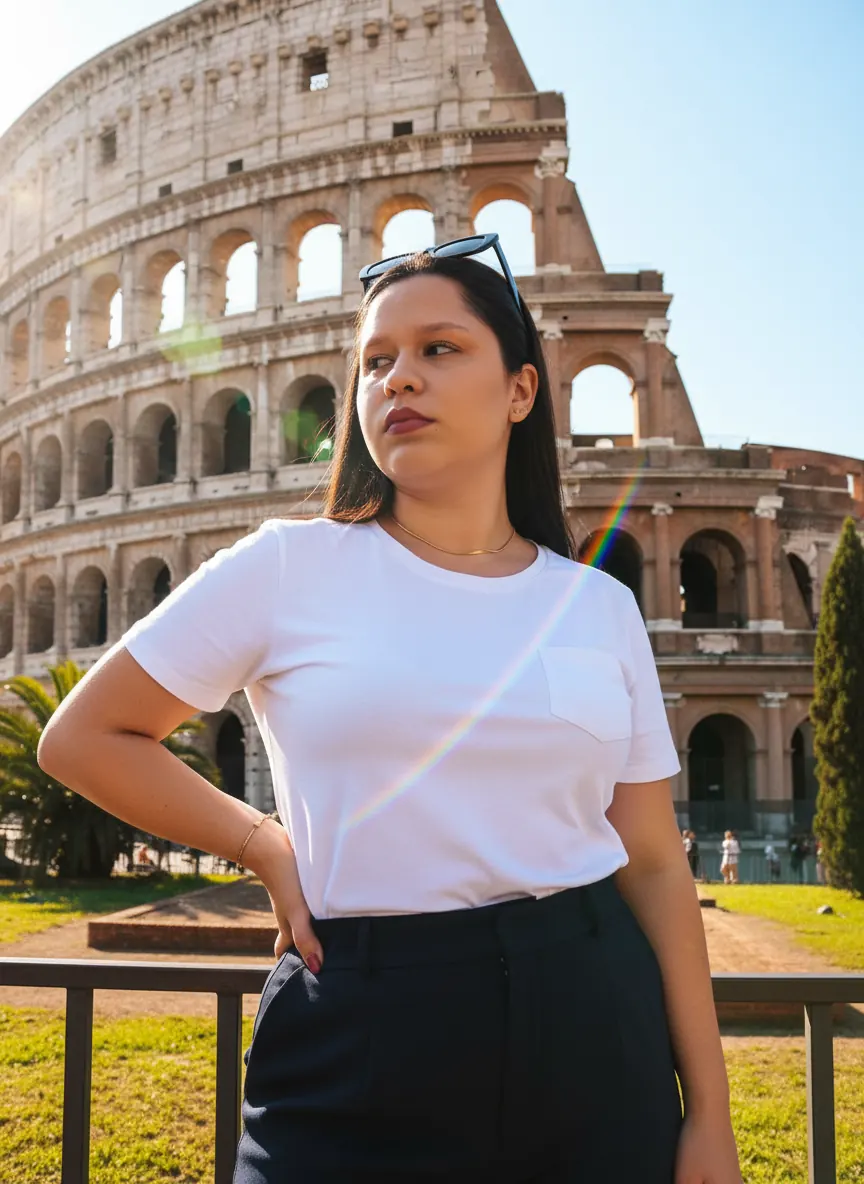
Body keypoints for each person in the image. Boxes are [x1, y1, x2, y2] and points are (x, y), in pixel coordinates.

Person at [36, 235, 742, 1183]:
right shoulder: (287, 567)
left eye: (438, 350)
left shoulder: (596, 605)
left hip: (591, 1011)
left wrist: (710, 1114)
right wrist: (260, 840)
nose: (398, 379)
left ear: (522, 390)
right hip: (362, 1017)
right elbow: (83, 736)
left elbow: (654, 864)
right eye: (376, 362)